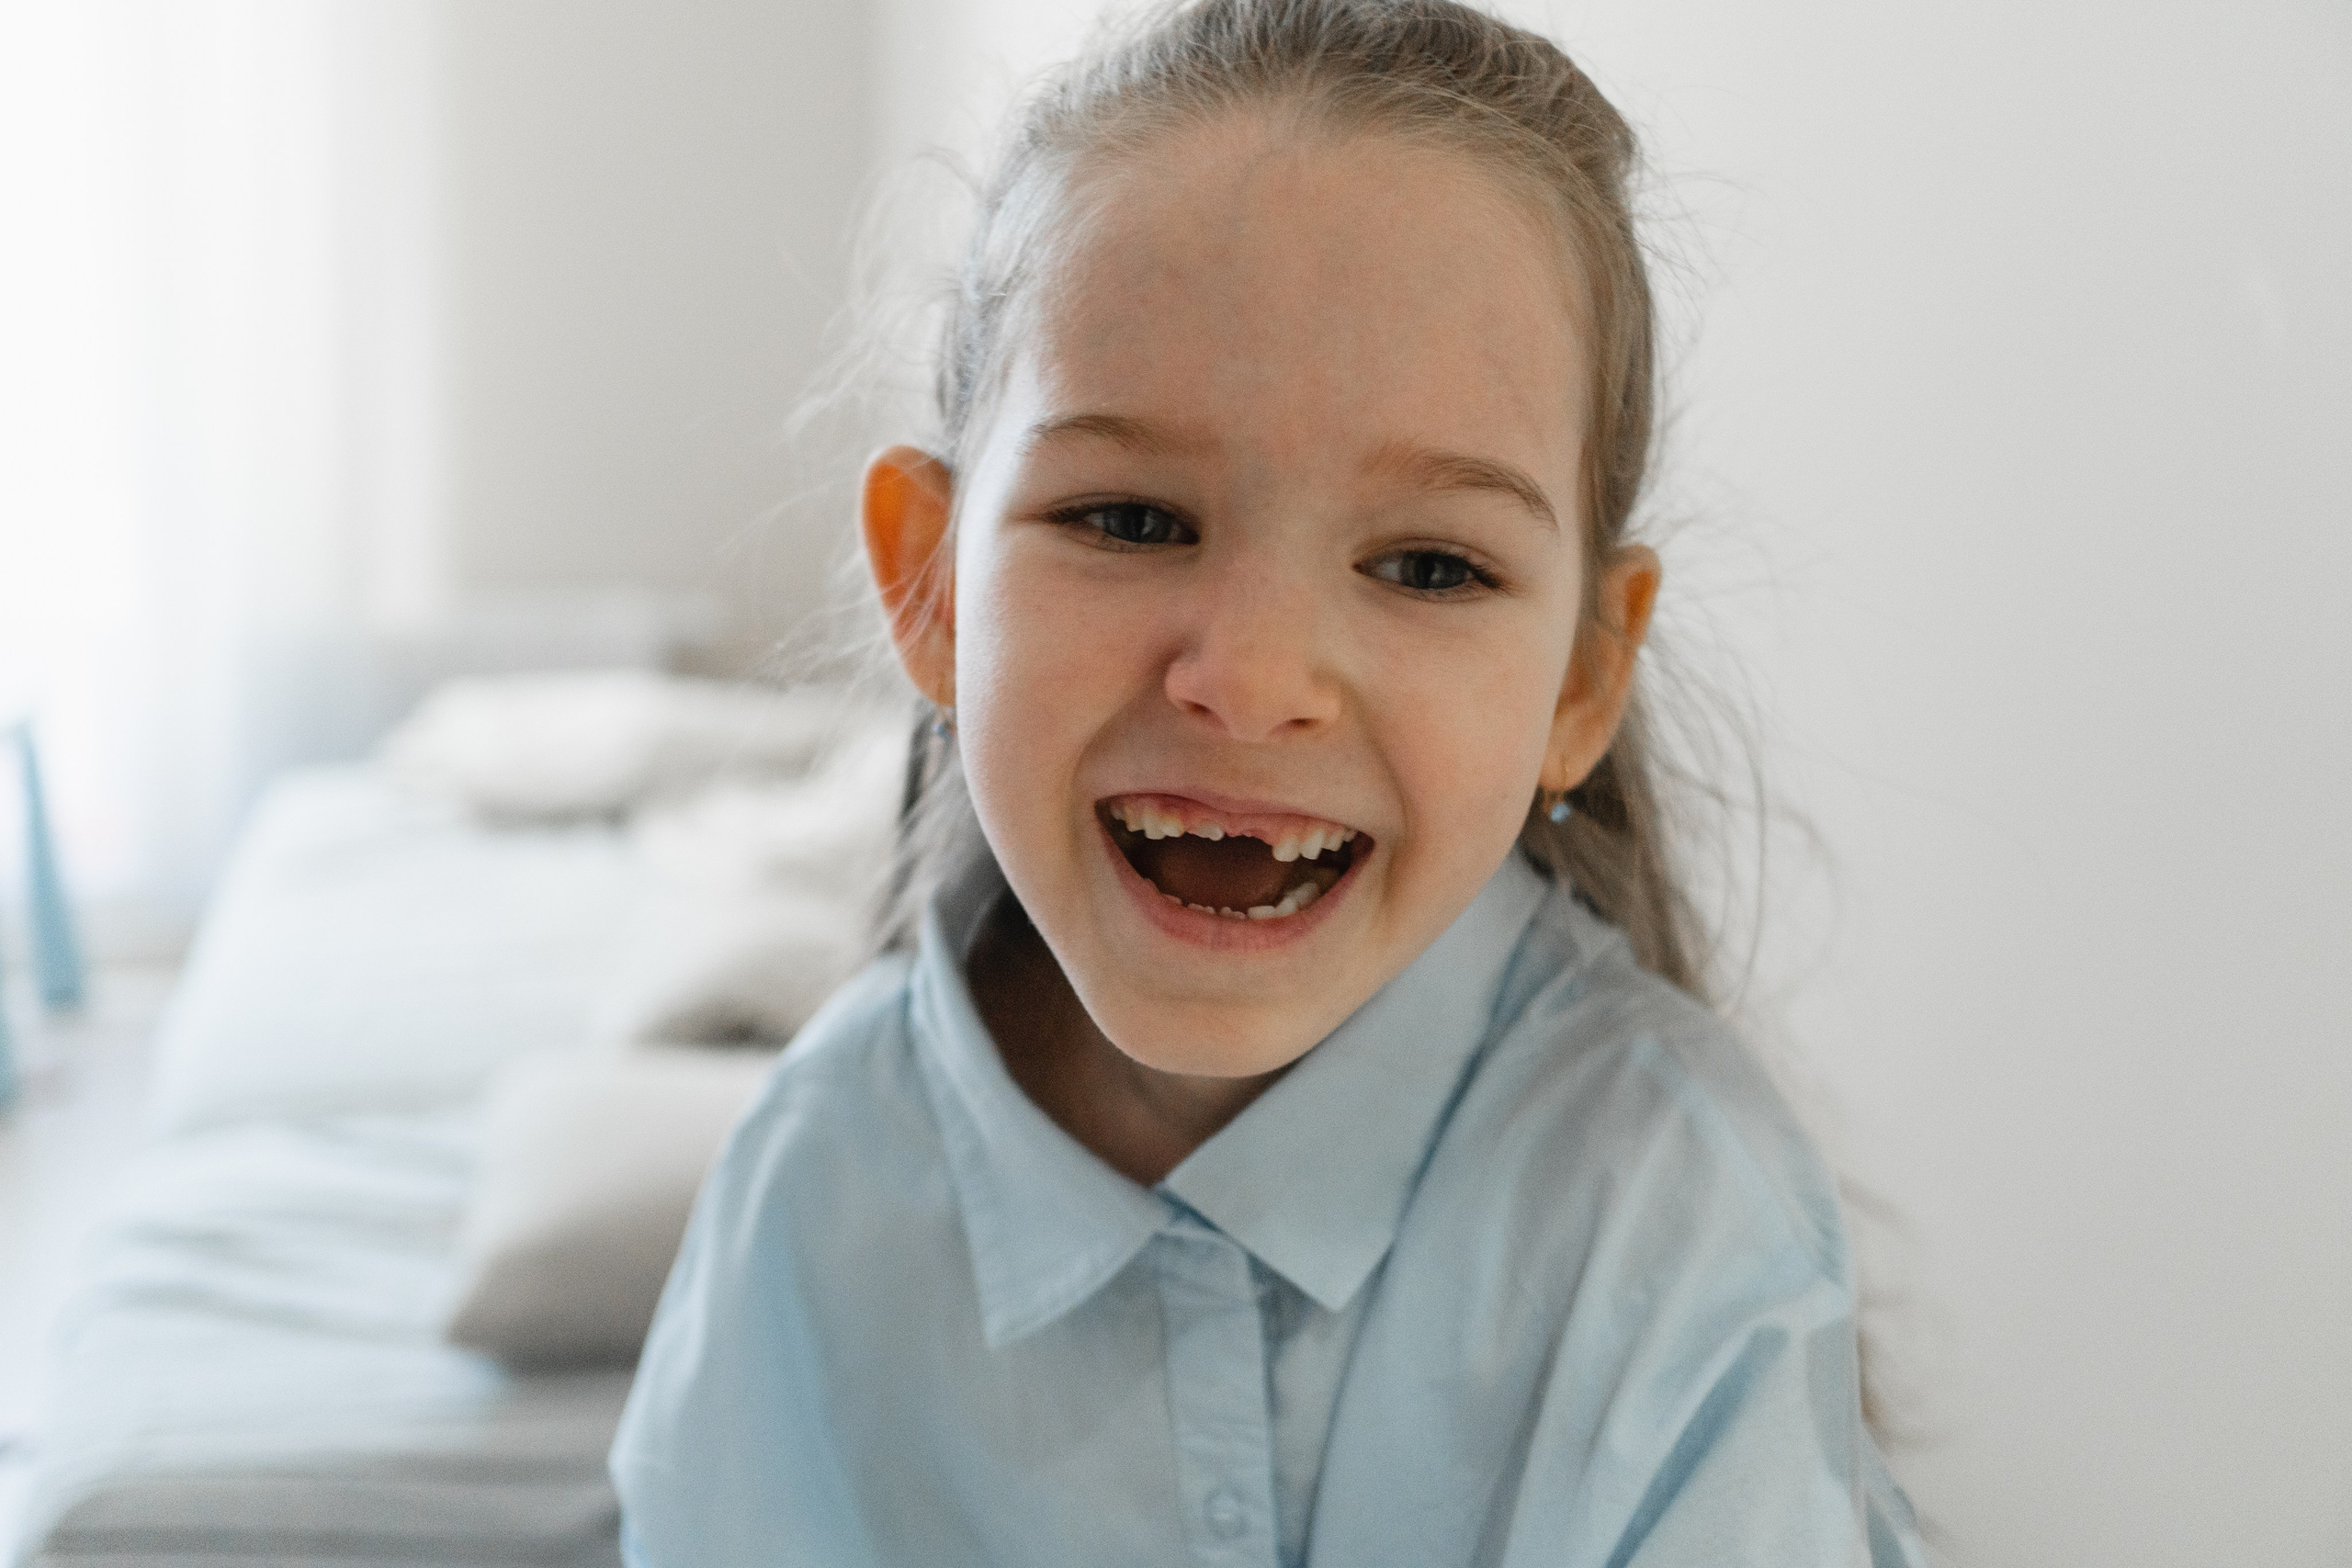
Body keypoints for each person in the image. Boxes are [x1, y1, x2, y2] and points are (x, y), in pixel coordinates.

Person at [609, 1, 1927, 1562]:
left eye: (1429, 563)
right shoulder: (809, 1197)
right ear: (935, 588)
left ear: (1581, 676)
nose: (1251, 677)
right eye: (1132, 520)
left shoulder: (1667, 1206)